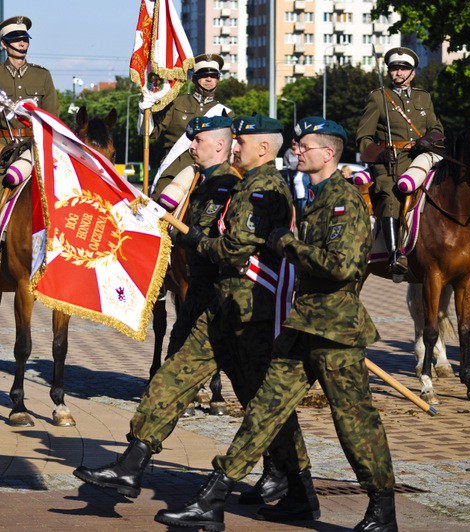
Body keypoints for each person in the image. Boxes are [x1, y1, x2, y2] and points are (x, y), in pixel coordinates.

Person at [154, 117, 397, 532]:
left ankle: (382, 510)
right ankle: (213, 500)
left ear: (328, 153)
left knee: (354, 421)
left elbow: (342, 266)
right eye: (297, 145)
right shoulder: (317, 196)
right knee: (263, 412)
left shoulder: (345, 200)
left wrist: (287, 243)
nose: (297, 151)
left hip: (335, 332)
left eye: (305, 146)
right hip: (303, 326)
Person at [74, 115, 317, 522]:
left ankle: (296, 486)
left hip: (247, 313)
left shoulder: (252, 187)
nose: (235, 146)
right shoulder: (227, 183)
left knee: (265, 403)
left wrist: (193, 240)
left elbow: (231, 249)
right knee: (173, 380)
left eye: (239, 141)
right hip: (217, 310)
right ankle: (131, 465)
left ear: (259, 147)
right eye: (233, 140)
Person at [0, 15, 58, 290]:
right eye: (16, 39)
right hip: (4, 155)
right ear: (4, 44)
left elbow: (52, 118)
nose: (22, 42)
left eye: (25, 38)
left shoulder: (42, 76)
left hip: (37, 151)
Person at [357, 46, 443, 277]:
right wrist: (378, 153)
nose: (398, 73)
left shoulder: (423, 97)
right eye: (394, 68)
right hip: (390, 161)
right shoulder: (378, 97)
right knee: (389, 194)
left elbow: (436, 127)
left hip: (420, 156)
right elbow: (363, 136)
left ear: (413, 73)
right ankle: (395, 255)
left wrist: (429, 139)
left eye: (404, 69)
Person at [164, 115, 239, 361]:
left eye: (198, 139)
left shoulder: (232, 185)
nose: (191, 146)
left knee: (242, 372)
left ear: (219, 145)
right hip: (196, 291)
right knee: (174, 366)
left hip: (220, 294)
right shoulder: (200, 180)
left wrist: (187, 237)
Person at [142, 53, 233, 200]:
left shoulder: (225, 113)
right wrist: (144, 112)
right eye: (203, 75)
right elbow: (151, 132)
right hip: (174, 169)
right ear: (194, 79)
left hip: (209, 174)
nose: (209, 79)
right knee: (158, 210)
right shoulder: (176, 103)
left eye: (213, 76)